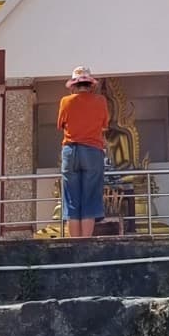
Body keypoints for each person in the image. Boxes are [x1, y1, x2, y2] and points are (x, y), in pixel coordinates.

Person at [57, 65, 110, 239]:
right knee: (90, 199)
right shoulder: (100, 101)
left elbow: (61, 125)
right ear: (91, 85)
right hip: (93, 151)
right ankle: (85, 243)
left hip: (70, 151)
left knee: (71, 200)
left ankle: (74, 244)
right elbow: (104, 125)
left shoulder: (65, 101)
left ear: (73, 86)